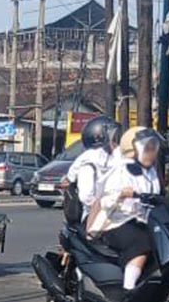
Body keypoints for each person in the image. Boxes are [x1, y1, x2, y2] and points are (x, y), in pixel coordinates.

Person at [89, 128, 163, 292]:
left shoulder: (152, 172)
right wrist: (121, 195)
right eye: (147, 148)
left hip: (142, 222)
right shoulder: (121, 170)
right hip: (115, 223)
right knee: (143, 242)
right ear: (134, 149)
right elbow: (104, 201)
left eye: (154, 148)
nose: (151, 153)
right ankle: (128, 289)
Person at [63, 115, 122, 228]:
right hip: (96, 217)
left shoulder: (116, 157)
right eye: (113, 138)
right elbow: (86, 197)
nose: (116, 142)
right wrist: (105, 205)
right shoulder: (88, 161)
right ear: (100, 138)